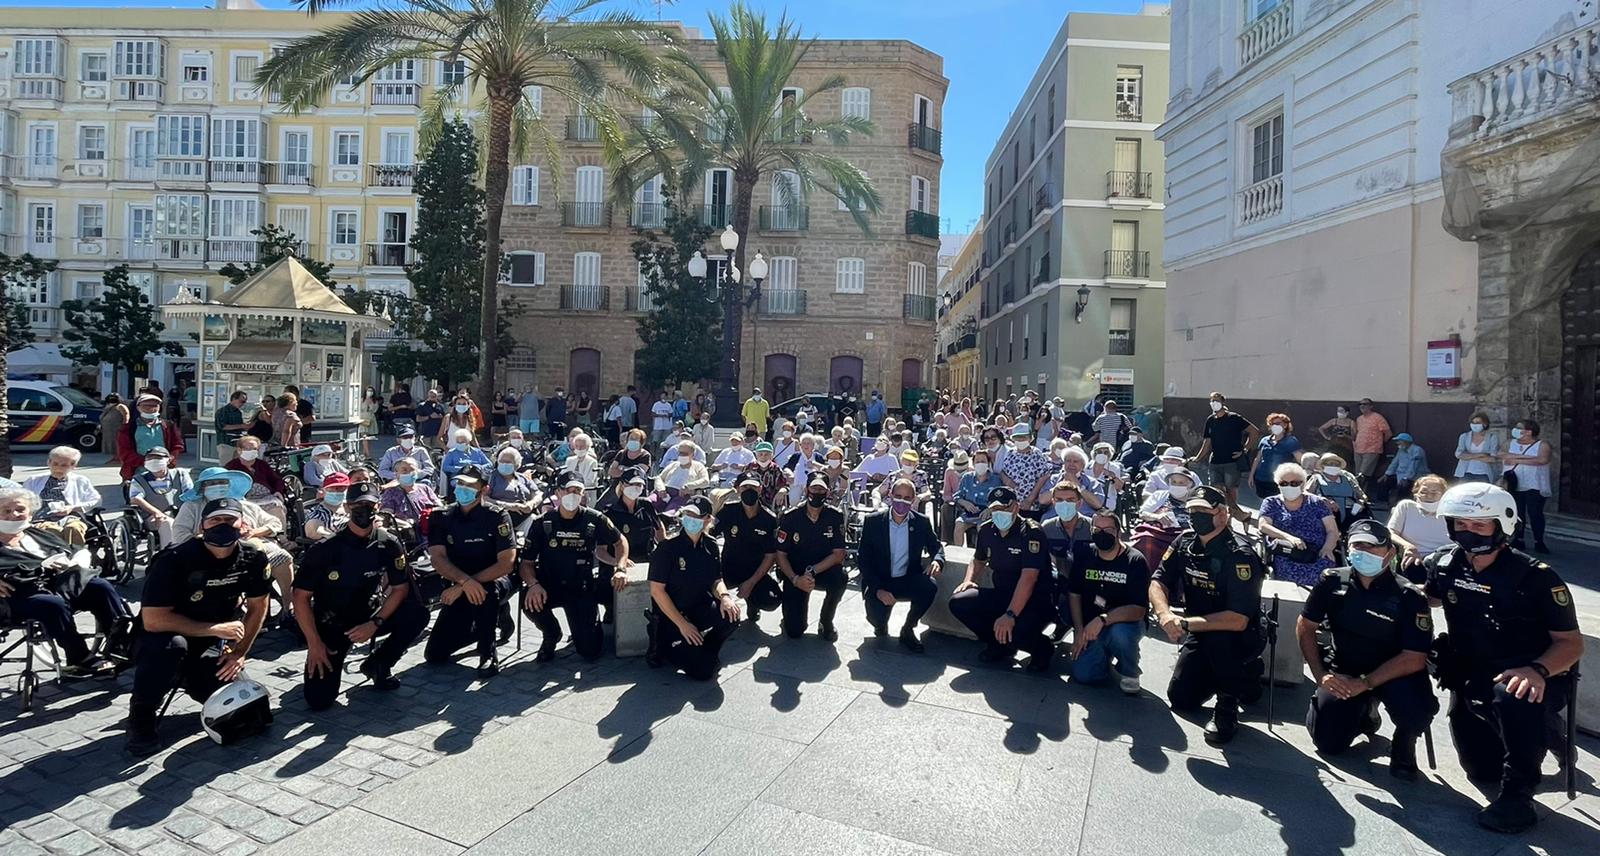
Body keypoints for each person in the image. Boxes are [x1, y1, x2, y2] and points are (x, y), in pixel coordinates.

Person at [1423, 482, 1583, 833]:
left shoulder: (1537, 578)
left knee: (1512, 697)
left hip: (1528, 675)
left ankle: (1519, 796)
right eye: (1460, 524)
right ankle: (1544, 734)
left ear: (1503, 525)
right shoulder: (1444, 564)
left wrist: (1537, 670)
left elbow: (1571, 644)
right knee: (1481, 770)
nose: (1468, 532)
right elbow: (1430, 598)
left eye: (1479, 525)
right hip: (1469, 671)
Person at [126, 497, 272, 755]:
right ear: (202, 525)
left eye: (230, 520)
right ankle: (142, 714)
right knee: (172, 648)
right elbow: (153, 620)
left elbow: (259, 606)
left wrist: (239, 653)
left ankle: (192, 677)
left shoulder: (253, 556)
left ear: (243, 524)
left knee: (236, 708)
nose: (223, 525)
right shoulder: (174, 559)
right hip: (161, 638)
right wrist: (214, 629)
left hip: (212, 643)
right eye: (216, 520)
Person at [1297, 520, 1436, 780]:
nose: (1363, 552)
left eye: (1372, 547)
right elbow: (1305, 625)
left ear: (1390, 553)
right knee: (1328, 745)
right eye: (1357, 545)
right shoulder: (1332, 581)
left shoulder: (1409, 596)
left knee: (1416, 707)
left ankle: (1404, 742)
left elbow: (1414, 658)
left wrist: (1366, 683)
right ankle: (1364, 712)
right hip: (1345, 668)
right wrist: (1321, 675)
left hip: (1395, 673)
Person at [292, 481, 428, 709]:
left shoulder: (388, 543)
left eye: (369, 505)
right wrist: (314, 643)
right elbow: (300, 597)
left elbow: (400, 588)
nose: (364, 510)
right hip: (333, 623)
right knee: (318, 701)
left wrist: (375, 623)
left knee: (417, 614)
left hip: (369, 614)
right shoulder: (326, 549)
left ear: (378, 507)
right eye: (358, 505)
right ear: (347, 507)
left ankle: (379, 664)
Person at [1149, 486, 1266, 745]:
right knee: (1181, 698)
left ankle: (1227, 706)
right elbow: (1158, 581)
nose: (1196, 516)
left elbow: (1238, 619)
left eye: (1203, 511)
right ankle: (1238, 676)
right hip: (1198, 629)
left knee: (1221, 643)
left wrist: (1185, 624)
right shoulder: (1184, 542)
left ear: (1222, 514)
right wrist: (1164, 613)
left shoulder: (1240, 555)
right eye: (1192, 511)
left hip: (1236, 634)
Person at [0, 488, 131, 679]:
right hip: (18, 596)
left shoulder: (36, 533)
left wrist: (69, 562)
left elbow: (70, 551)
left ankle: (121, 644)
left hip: (59, 585)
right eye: (6, 510)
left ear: (30, 512)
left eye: (20, 509)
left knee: (99, 586)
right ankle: (79, 657)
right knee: (52, 604)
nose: (14, 515)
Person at [521, 477, 628, 662]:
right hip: (549, 586)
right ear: (558, 493)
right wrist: (533, 584)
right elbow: (526, 563)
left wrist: (620, 568)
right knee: (528, 600)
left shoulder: (594, 519)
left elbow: (620, 542)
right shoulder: (543, 522)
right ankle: (551, 634)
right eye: (568, 490)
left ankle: (588, 629)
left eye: (577, 491)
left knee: (590, 651)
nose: (572, 495)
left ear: (583, 494)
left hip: (581, 587)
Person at [949, 486, 1056, 670]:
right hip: (1003, 592)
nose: (999, 513)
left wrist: (1009, 614)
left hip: (1034, 599)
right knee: (959, 602)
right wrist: (969, 579)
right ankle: (999, 645)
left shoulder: (1031, 532)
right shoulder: (986, 530)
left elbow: (1029, 578)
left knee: (1018, 629)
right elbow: (978, 559)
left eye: (1004, 508)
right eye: (995, 509)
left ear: (1015, 507)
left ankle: (1042, 648)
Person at [424, 466, 517, 677]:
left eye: (469, 485)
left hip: (494, 579)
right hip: (460, 581)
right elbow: (437, 558)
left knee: (485, 593)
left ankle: (488, 653)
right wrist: (464, 583)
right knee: (435, 654)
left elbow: (506, 563)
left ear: (484, 489)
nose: (462, 488)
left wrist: (466, 584)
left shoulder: (496, 516)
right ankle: (487, 624)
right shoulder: (441, 516)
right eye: (460, 483)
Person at [645, 496, 740, 679]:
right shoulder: (667, 549)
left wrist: (725, 597)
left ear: (707, 519)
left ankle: (706, 649)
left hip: (699, 607)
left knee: (731, 615)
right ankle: (664, 646)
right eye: (687, 513)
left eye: (696, 515)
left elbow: (716, 579)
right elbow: (657, 591)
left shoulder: (711, 545)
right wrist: (683, 625)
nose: (690, 518)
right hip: (673, 617)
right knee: (704, 672)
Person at [858, 478, 944, 653]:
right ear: (890, 496)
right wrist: (878, 589)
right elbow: (864, 560)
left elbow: (937, 547)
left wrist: (937, 560)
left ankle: (908, 628)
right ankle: (880, 622)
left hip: (907, 578)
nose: (902, 501)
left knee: (929, 587)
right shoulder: (872, 521)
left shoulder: (921, 522)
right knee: (877, 619)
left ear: (913, 500)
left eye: (907, 498)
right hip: (880, 581)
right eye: (898, 496)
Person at [1067, 511, 1150, 693]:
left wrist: (1103, 620)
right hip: (1091, 624)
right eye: (1097, 529)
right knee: (1083, 675)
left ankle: (1129, 671)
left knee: (1121, 634)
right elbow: (1074, 594)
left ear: (1119, 533)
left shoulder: (1135, 560)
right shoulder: (1084, 553)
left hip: (1125, 623)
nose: (1102, 533)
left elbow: (1138, 610)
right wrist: (1079, 630)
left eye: (1108, 529)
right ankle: (1104, 653)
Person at [774, 473, 849, 640]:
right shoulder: (790, 516)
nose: (817, 492)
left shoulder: (835, 516)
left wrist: (813, 571)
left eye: (822, 489)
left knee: (840, 578)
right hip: (795, 572)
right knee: (794, 631)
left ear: (828, 492)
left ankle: (826, 622)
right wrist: (795, 579)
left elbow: (838, 554)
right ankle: (790, 614)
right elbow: (780, 554)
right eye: (814, 488)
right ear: (807, 489)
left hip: (822, 568)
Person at [715, 473, 785, 622]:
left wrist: (751, 582)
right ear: (738, 489)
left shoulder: (769, 519)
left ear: (760, 489)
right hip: (728, 567)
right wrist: (713, 511)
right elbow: (709, 534)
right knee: (707, 589)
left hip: (755, 570)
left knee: (772, 599)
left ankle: (752, 603)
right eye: (745, 487)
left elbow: (770, 555)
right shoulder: (728, 510)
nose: (749, 490)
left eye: (753, 487)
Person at [1257, 463, 1340, 585]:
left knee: (1326, 576)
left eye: (1295, 483)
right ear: (1278, 485)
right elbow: (1263, 525)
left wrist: (1327, 548)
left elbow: (1332, 530)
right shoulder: (1271, 502)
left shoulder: (1317, 503)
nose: (1289, 486)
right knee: (1288, 574)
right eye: (1284, 483)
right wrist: (1289, 537)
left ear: (1303, 483)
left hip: (1318, 551)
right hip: (1287, 552)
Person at [1188, 392, 1258, 518]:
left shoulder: (1234, 418)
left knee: (1231, 489)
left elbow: (1254, 432)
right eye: (1212, 401)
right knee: (1217, 489)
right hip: (1215, 461)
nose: (1214, 403)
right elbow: (1207, 441)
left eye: (1217, 400)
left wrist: (1245, 449)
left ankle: (1232, 515)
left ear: (1222, 403)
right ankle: (1237, 513)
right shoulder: (1210, 420)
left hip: (1232, 460)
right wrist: (1198, 458)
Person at [24, 446, 101, 544]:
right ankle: (56, 556)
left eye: (64, 465)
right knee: (53, 530)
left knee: (73, 529)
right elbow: (23, 501)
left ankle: (76, 555)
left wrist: (72, 508)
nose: (58, 468)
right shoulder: (33, 480)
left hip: (72, 517)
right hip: (42, 518)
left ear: (73, 465)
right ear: (49, 462)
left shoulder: (80, 481)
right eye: (55, 464)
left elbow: (96, 500)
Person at [1501, 418, 1552, 554]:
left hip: (1535, 484)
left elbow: (1542, 460)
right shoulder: (1509, 443)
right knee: (1518, 513)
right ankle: (1519, 539)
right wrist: (1527, 458)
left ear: (1529, 431)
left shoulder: (1542, 445)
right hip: (1515, 483)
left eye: (1519, 427)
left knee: (1535, 513)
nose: (1516, 430)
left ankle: (1538, 541)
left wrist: (1516, 459)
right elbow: (1501, 455)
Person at [127, 446, 193, 549]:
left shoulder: (180, 474)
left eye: (158, 458)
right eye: (149, 458)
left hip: (181, 513)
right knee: (166, 523)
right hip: (152, 517)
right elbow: (135, 498)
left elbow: (189, 494)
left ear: (168, 459)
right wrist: (156, 512)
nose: (153, 461)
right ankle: (169, 556)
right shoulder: (139, 479)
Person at [1386, 474, 1450, 577]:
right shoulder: (1406, 506)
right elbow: (1390, 532)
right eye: (1423, 492)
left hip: (1443, 562)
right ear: (1416, 494)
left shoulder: (1451, 513)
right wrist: (1408, 546)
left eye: (1435, 492)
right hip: (1414, 559)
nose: (1429, 496)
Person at [225, 436, 289, 529]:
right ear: (239, 450)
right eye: (248, 448)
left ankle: (282, 538)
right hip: (245, 500)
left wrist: (278, 491)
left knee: (277, 508)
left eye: (255, 449)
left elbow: (276, 480)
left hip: (266, 498)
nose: (252, 451)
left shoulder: (262, 464)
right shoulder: (231, 467)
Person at [118, 393, 185, 481]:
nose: (151, 408)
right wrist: (148, 462)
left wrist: (169, 459)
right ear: (138, 407)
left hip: (164, 471)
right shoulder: (130, 428)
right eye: (146, 406)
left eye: (155, 406)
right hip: (137, 472)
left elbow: (177, 445)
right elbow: (124, 451)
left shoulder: (168, 426)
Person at [606, 470, 664, 566]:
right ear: (622, 484)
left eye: (639, 484)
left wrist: (663, 550)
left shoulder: (646, 505)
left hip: (647, 561)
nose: (636, 487)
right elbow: (600, 550)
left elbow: (659, 527)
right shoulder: (610, 512)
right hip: (622, 565)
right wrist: (619, 562)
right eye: (632, 484)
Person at [380, 457, 442, 545]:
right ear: (397, 474)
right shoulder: (391, 492)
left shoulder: (425, 488)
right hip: (407, 538)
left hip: (431, 535)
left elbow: (440, 507)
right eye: (404, 470)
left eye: (412, 470)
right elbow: (386, 516)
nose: (409, 473)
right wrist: (405, 524)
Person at [1000, 423, 1054, 519]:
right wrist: (1007, 481)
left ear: (1030, 438)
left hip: (1031, 505)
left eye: (1024, 438)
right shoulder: (1010, 453)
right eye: (1017, 438)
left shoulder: (1036, 454)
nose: (1020, 440)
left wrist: (1030, 499)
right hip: (1012, 504)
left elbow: (1044, 477)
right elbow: (1003, 472)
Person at [952, 448, 1003, 546]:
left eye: (983, 461)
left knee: (982, 528)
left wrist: (990, 509)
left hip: (986, 514)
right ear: (973, 464)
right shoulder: (967, 478)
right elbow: (957, 496)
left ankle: (980, 557)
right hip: (969, 513)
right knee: (958, 524)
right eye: (977, 461)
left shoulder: (995, 480)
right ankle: (957, 555)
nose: (980, 464)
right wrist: (965, 503)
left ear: (988, 463)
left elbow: (1000, 499)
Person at [488, 446, 542, 536]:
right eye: (502, 461)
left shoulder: (522, 478)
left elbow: (538, 493)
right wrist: (510, 506)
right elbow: (484, 499)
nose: (504, 464)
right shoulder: (492, 477)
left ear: (516, 464)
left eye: (508, 462)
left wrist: (531, 504)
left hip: (525, 516)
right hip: (501, 517)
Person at [1308, 453, 1367, 531]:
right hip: (1327, 512)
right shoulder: (1316, 478)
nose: (1334, 466)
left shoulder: (1348, 479)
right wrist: (1323, 500)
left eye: (1336, 464)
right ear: (1323, 465)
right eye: (1330, 464)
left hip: (1351, 512)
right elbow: (1305, 494)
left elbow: (1362, 496)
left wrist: (1360, 503)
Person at [1250, 413, 1302, 500]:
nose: (1275, 426)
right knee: (1264, 504)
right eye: (1272, 424)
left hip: (1280, 480)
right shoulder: (1264, 440)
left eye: (1278, 423)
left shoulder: (1291, 441)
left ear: (1285, 425)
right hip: (1261, 479)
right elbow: (1257, 459)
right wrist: (1251, 476)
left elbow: (1300, 459)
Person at [1352, 398, 1393, 494]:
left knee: (1364, 474)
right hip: (1358, 449)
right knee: (1357, 474)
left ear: (1371, 406)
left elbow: (1388, 433)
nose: (1362, 406)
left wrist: (1378, 443)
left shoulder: (1378, 417)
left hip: (1372, 450)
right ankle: (1357, 495)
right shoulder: (1359, 419)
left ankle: (1361, 495)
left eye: (1365, 404)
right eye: (1360, 404)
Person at [1381, 433, 1430, 506]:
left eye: (1399, 441)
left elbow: (1413, 467)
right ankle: (1383, 503)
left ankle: (1399, 504)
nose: (1397, 443)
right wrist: (1386, 474)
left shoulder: (1417, 450)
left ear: (1406, 442)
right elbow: (1394, 463)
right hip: (1400, 475)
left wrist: (1406, 478)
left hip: (1416, 476)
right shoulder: (1401, 450)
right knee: (1385, 481)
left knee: (1403, 485)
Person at [1453, 412, 1500, 483]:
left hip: (1484, 474)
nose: (1475, 425)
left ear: (1485, 424)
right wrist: (1480, 455)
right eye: (1473, 422)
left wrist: (1469, 456)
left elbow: (1493, 458)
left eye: (1478, 423)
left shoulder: (1492, 437)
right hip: (1466, 473)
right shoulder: (1464, 436)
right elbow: (1458, 454)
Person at [303, 473, 350, 541]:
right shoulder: (318, 512)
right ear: (324, 490)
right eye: (331, 488)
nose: (336, 491)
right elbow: (313, 529)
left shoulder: (353, 507)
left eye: (341, 488)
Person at [214, 390, 250, 463]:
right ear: (234, 399)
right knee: (226, 466)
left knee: (236, 466)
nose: (242, 404)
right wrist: (241, 425)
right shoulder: (223, 411)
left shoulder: (238, 412)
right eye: (241, 401)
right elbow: (222, 426)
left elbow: (239, 427)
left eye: (244, 402)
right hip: (226, 442)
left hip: (237, 443)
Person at [99, 392, 129, 464]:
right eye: (110, 397)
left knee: (117, 443)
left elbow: (126, 416)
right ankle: (115, 457)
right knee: (111, 443)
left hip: (117, 428)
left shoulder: (121, 406)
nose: (112, 399)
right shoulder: (108, 406)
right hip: (108, 429)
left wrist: (124, 426)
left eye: (114, 397)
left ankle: (119, 458)